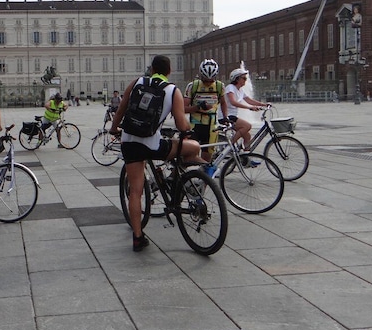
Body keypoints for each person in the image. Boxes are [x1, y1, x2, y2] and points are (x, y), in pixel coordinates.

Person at [110, 55, 202, 252]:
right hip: (153, 145)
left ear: (151, 69)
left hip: (129, 142)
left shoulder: (137, 82)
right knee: (193, 147)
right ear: (169, 71)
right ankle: (179, 181)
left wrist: (114, 129)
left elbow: (121, 110)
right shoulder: (173, 91)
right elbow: (181, 124)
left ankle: (138, 237)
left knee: (135, 192)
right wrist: (188, 130)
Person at [184, 59, 229, 167]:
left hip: (211, 127)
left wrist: (225, 117)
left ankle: (203, 181)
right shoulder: (192, 86)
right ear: (201, 76)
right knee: (187, 157)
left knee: (206, 160)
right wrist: (198, 107)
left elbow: (223, 103)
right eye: (205, 80)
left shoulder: (219, 86)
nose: (208, 83)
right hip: (194, 126)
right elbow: (183, 108)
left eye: (211, 80)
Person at [224, 68, 270, 165]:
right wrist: (249, 108)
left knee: (247, 136)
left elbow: (249, 100)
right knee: (247, 126)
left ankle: (247, 160)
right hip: (226, 116)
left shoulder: (240, 90)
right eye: (243, 78)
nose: (245, 80)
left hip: (233, 116)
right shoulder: (230, 88)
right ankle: (229, 146)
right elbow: (233, 102)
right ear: (237, 79)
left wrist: (263, 104)